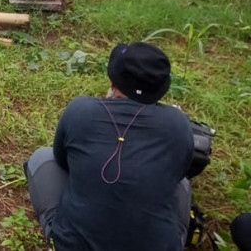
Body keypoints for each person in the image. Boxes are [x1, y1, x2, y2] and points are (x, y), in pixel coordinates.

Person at [25, 42, 194, 251]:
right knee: (183, 185)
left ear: (113, 81)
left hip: (74, 245)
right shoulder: (178, 123)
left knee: (43, 157)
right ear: (161, 88)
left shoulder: (81, 109)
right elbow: (179, 172)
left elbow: (62, 160)